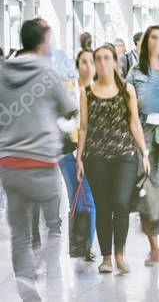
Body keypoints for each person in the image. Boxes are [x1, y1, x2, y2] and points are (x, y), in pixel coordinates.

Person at [0, 19, 76, 301]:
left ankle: (26, 282)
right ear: (43, 42)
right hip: (42, 164)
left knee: (19, 232)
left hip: (10, 163)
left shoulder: (4, 71)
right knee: (54, 228)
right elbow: (69, 109)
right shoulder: (49, 72)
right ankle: (40, 265)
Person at [78, 43, 149, 275]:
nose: (102, 62)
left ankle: (120, 254)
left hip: (124, 154)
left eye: (107, 58)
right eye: (98, 58)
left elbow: (134, 123)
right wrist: (79, 158)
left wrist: (144, 152)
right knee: (103, 205)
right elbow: (84, 127)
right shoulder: (87, 91)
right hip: (96, 156)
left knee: (120, 203)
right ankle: (106, 257)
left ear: (116, 61)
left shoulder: (127, 89)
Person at [125, 25, 159, 267]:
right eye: (152, 37)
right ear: (145, 42)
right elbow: (125, 105)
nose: (157, 41)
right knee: (148, 189)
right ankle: (153, 246)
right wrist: (137, 102)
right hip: (143, 137)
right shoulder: (135, 72)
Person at [61, 49, 98, 263]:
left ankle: (86, 246)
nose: (87, 66)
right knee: (74, 197)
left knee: (88, 198)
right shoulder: (68, 88)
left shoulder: (99, 90)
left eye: (91, 62)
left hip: (87, 152)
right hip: (66, 150)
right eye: (83, 61)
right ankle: (78, 243)